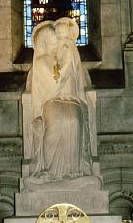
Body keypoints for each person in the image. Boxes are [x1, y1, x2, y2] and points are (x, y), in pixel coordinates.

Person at [28, 18, 92, 182]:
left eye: (57, 40)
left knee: (75, 120)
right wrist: (65, 65)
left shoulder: (67, 57)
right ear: (43, 44)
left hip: (71, 101)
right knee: (58, 122)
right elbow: (54, 84)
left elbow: (78, 81)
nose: (56, 44)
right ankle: (50, 171)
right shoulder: (41, 62)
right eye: (51, 41)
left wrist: (69, 54)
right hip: (52, 103)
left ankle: (74, 171)